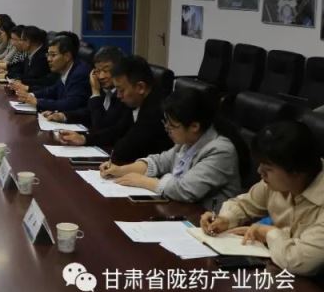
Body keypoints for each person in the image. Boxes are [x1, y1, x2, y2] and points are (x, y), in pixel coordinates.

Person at [200, 120, 324, 276]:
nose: (259, 171)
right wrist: (225, 219)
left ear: (296, 171)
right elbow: (243, 204)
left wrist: (268, 233)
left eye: (268, 168)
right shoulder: (277, 183)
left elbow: (297, 261)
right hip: (280, 272)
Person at [98, 89, 241, 208]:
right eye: (166, 123)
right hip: (179, 209)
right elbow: (160, 162)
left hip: (205, 221)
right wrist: (121, 170)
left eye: (172, 125)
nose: (167, 129)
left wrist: (144, 181)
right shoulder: (188, 141)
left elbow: (185, 190)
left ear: (194, 126)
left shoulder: (221, 151)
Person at [51, 55, 172, 164]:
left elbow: (123, 151)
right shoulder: (137, 100)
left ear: (140, 87)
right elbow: (117, 130)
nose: (118, 95)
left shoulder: (156, 111)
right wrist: (84, 139)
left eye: (121, 90)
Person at [49, 45, 124, 132]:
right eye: (98, 71)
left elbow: (101, 126)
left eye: (106, 70)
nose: (101, 76)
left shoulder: (123, 96)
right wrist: (63, 116)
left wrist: (95, 93)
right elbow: (88, 113)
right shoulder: (104, 89)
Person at [14, 34, 91, 112]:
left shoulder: (80, 73)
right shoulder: (65, 69)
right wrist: (30, 95)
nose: (48, 59)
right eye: (48, 55)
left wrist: (37, 101)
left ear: (67, 56)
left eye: (53, 55)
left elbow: (70, 104)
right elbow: (53, 90)